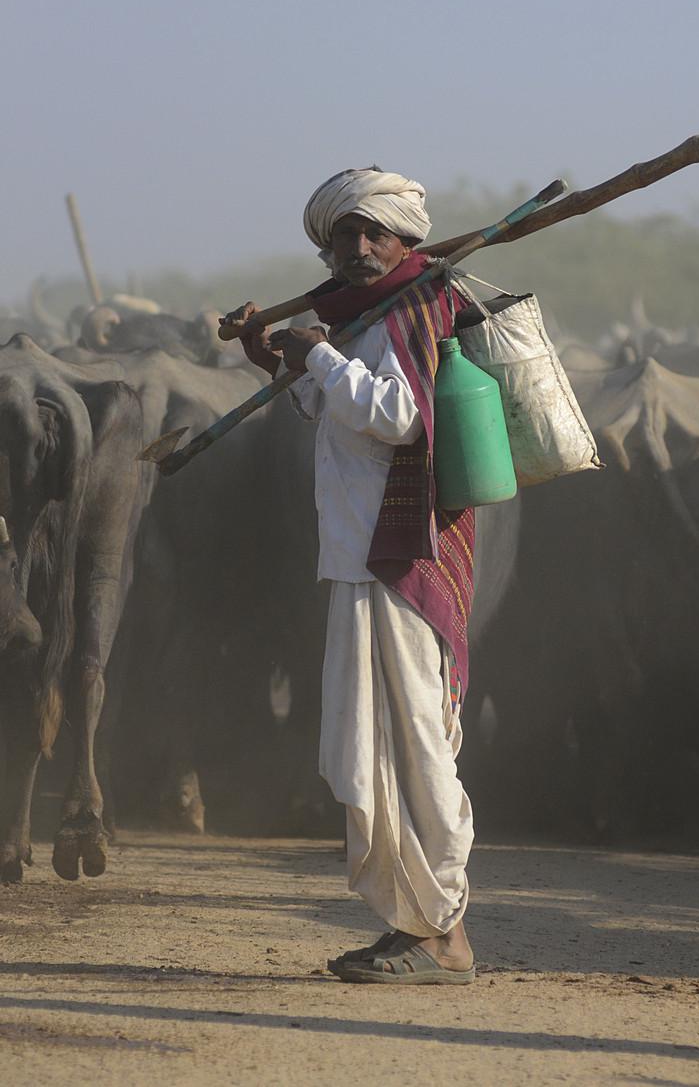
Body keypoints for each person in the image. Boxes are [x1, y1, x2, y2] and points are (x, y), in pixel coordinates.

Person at [224, 168, 476, 984]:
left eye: (376, 233)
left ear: (407, 240)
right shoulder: (355, 317)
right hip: (358, 558)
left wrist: (323, 360)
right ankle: (409, 921)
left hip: (404, 558)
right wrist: (283, 361)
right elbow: (335, 414)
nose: (361, 247)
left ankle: (442, 928)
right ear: (328, 246)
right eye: (346, 235)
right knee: (373, 744)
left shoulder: (414, 306)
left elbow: (402, 416)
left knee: (418, 743)